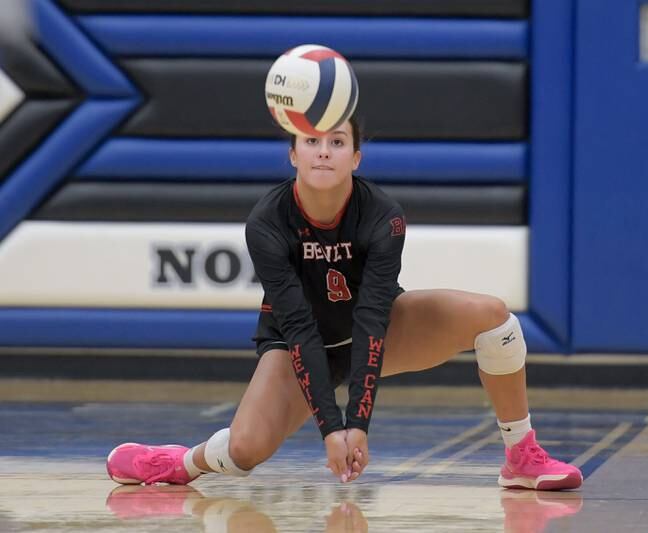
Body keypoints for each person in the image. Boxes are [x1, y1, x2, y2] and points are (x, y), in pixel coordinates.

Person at [106, 116, 583, 491]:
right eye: (311, 142)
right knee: (245, 450)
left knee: (494, 318)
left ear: (356, 157)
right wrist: (332, 431)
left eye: (337, 142)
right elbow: (299, 329)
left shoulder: (383, 218)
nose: (323, 151)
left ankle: (521, 455)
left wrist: (358, 423)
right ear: (292, 153)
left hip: (370, 333)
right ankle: (178, 463)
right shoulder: (266, 223)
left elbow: (374, 320)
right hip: (295, 345)